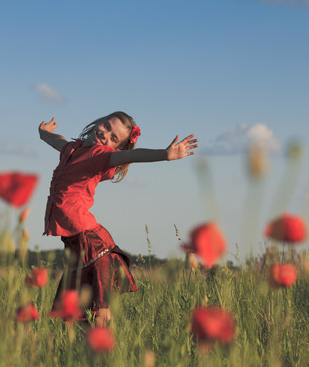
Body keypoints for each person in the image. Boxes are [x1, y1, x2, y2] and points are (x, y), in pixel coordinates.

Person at [39, 111, 198, 326]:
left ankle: (107, 354)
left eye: (114, 138)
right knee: (71, 318)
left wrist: (164, 154)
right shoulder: (71, 149)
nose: (105, 135)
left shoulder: (101, 156)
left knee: (98, 314)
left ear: (115, 147)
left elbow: (132, 156)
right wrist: (43, 131)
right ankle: (86, 356)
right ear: (98, 121)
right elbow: (55, 140)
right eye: (106, 126)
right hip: (76, 246)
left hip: (93, 247)